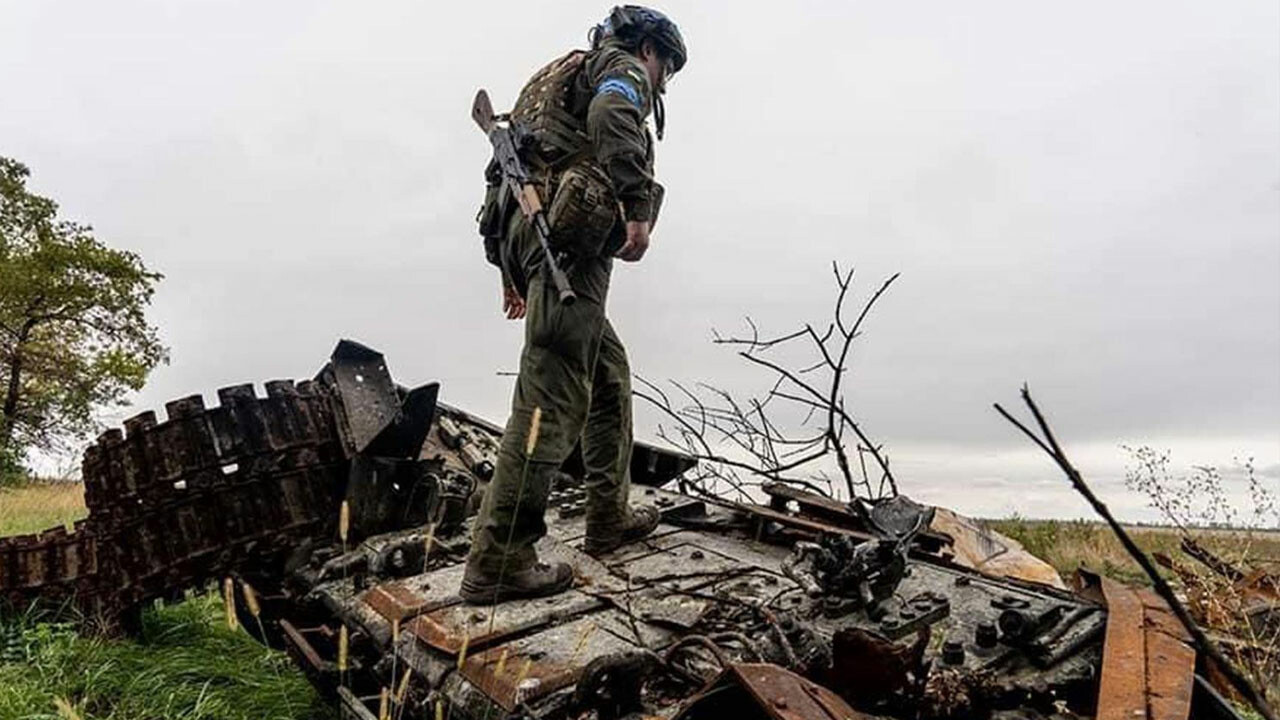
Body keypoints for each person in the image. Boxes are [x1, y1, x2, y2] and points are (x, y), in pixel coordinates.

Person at [461, 6, 687, 604]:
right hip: (568, 252)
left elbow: (501, 181)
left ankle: (607, 516)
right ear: (649, 49)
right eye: (666, 67)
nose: (663, 82)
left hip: (534, 243)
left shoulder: (551, 80)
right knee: (550, 398)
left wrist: (509, 268)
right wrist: (637, 210)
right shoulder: (621, 70)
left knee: (606, 373)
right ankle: (499, 559)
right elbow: (615, 114)